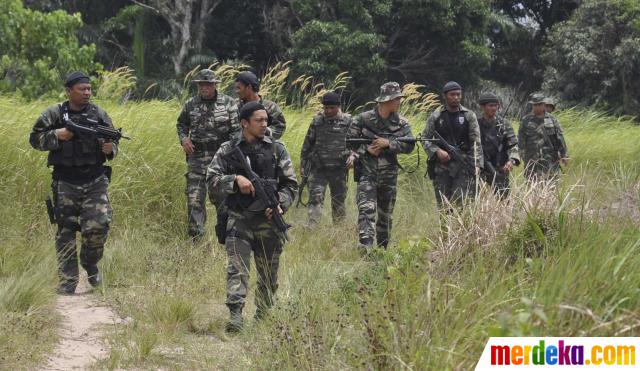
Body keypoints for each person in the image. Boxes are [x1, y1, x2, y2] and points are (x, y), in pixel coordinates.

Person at [206, 102, 297, 332]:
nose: (265, 124)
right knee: (237, 267)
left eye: (266, 120)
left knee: (268, 272)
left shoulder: (277, 149)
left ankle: (264, 313)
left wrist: (280, 206)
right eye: (259, 120)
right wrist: (235, 180)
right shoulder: (228, 150)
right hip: (240, 217)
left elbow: (291, 185)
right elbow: (211, 180)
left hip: (268, 221)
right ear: (244, 123)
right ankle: (235, 315)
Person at [29, 71, 118, 294]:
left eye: (89, 89)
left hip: (95, 180)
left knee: (98, 226)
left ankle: (90, 263)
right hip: (65, 181)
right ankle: (68, 281)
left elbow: (112, 139)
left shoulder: (98, 113)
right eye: (82, 89)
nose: (87, 92)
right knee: (65, 231)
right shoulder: (54, 114)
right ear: (69, 91)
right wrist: (57, 135)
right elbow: (35, 139)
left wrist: (111, 149)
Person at [346, 82, 415, 250]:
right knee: (366, 211)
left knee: (385, 216)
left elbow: (410, 145)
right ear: (386, 101)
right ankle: (366, 248)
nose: (399, 102)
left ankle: (383, 250)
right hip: (367, 175)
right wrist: (365, 150)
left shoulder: (402, 123)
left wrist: (388, 144)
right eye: (396, 99)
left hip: (389, 178)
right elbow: (348, 144)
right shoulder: (362, 119)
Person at [176, 68, 240, 240]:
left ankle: (226, 238)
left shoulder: (228, 103)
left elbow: (236, 132)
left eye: (208, 84)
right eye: (201, 85)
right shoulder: (191, 104)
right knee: (194, 201)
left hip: (220, 160)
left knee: (222, 201)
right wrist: (184, 139)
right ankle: (196, 240)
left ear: (215, 85)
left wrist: (228, 152)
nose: (204, 87)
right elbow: (181, 124)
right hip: (197, 158)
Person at [422, 81, 483, 208]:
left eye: (458, 94)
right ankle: (445, 228)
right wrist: (437, 151)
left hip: (463, 165)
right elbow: (424, 138)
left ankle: (459, 228)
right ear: (445, 96)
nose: (456, 97)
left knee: (461, 203)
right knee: (444, 205)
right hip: (442, 167)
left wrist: (477, 164)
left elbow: (476, 142)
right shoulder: (436, 115)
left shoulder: (469, 115)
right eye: (452, 94)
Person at [300, 92, 354, 226]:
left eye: (332, 108)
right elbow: (308, 143)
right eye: (326, 108)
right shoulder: (317, 121)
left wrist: (353, 155)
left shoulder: (348, 121)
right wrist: (303, 163)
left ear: (339, 106)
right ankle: (312, 228)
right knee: (315, 199)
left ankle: (338, 230)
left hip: (339, 168)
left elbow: (356, 142)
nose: (328, 111)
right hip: (319, 168)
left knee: (338, 201)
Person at [477, 92, 520, 198]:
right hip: (480, 171)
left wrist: (511, 160)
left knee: (503, 200)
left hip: (500, 170)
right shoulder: (475, 124)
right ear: (482, 107)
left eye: (495, 105)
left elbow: (514, 145)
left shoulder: (504, 124)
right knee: (479, 201)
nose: (494, 108)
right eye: (490, 106)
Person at [518, 93, 569, 180]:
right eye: (535, 105)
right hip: (532, 159)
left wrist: (563, 154)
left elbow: (559, 138)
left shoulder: (552, 120)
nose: (537, 107)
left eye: (539, 104)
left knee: (551, 185)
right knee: (532, 184)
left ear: (544, 105)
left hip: (550, 159)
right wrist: (521, 155)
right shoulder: (526, 120)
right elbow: (521, 138)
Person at [235, 71, 286, 139]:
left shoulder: (270, 107)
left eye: (239, 88)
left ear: (249, 87)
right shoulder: (236, 108)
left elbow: (279, 127)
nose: (237, 91)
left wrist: (263, 131)